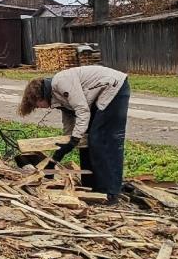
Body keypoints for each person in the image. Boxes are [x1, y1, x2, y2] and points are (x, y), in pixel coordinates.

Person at [17, 66, 131, 202]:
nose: (39, 108)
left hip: (113, 88)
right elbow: (69, 119)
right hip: (101, 94)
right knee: (87, 140)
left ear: (39, 96)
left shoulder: (61, 83)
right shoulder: (55, 94)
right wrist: (61, 150)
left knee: (101, 140)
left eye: (37, 105)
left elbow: (82, 110)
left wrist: (74, 139)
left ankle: (109, 192)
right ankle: (91, 186)